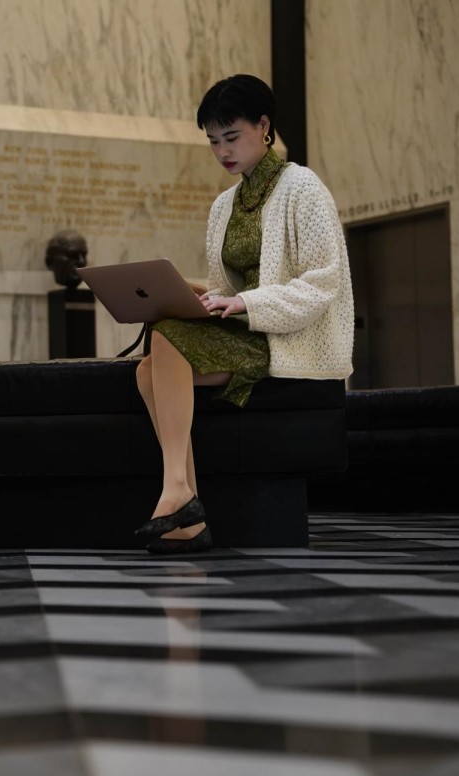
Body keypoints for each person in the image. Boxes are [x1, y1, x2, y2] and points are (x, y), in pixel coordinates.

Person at [133, 74, 354, 555]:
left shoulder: (303, 188)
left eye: (232, 137)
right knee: (147, 370)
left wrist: (248, 303)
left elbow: (323, 281)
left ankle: (179, 496)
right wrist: (193, 294)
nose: (223, 151)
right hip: (246, 330)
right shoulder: (223, 205)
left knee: (166, 344)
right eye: (213, 141)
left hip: (288, 337)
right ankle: (184, 510)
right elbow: (226, 290)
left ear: (264, 126)